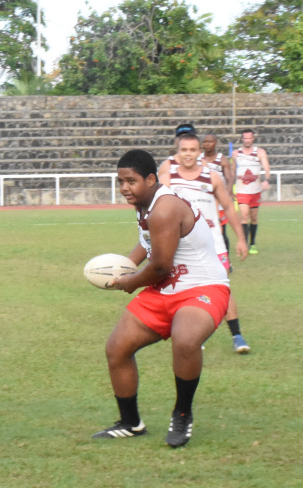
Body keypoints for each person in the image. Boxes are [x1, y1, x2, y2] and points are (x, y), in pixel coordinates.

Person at [92, 149, 235, 447]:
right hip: (166, 288)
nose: (124, 188)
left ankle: (182, 414)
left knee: (185, 340)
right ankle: (130, 423)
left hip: (203, 286)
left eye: (131, 181)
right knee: (117, 348)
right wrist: (121, 268)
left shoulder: (165, 207)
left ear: (151, 179)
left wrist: (130, 282)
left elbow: (160, 266)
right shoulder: (143, 204)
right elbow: (148, 244)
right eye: (120, 182)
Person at [159, 133, 251, 354]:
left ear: (200, 152)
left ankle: (237, 336)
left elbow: (228, 207)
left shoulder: (211, 176)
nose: (188, 154)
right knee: (184, 289)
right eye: (184, 150)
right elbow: (158, 210)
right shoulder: (168, 177)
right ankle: (194, 335)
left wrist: (240, 238)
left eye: (192, 150)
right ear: (177, 153)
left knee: (223, 289)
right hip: (182, 247)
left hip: (214, 245)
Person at [231, 129, 271, 254]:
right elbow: (232, 171)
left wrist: (266, 180)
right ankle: (243, 243)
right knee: (244, 216)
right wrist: (230, 187)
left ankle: (252, 243)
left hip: (255, 191)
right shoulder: (236, 153)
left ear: (253, 138)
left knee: (254, 218)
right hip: (242, 190)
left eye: (249, 138)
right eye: (245, 138)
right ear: (241, 139)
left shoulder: (260, 152)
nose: (247, 140)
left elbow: (267, 168)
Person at [200, 134, 235, 256]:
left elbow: (229, 178)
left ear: (216, 143)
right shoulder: (198, 159)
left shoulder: (221, 159)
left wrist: (228, 193)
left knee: (221, 231)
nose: (207, 144)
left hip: (218, 201)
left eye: (210, 142)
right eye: (205, 142)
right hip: (202, 201)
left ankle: (226, 259)